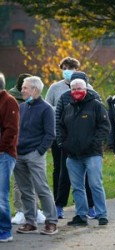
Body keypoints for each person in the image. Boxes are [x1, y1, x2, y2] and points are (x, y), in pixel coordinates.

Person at [57, 78, 110, 226]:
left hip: (92, 154)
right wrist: (63, 144)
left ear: (86, 89)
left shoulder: (96, 106)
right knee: (77, 187)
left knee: (95, 184)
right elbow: (61, 127)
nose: (76, 91)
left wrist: (94, 142)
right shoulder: (68, 108)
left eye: (79, 88)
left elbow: (105, 127)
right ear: (70, 91)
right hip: (72, 156)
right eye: (73, 89)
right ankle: (81, 215)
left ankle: (102, 215)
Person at [14, 76, 58, 235]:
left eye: (25, 88)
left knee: (42, 188)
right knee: (25, 190)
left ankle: (51, 222)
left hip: (35, 154)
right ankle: (30, 222)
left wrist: (39, 151)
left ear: (35, 90)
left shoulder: (46, 109)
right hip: (19, 154)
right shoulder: (22, 108)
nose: (22, 90)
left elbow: (50, 134)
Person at [45, 57, 80, 219]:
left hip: (79, 135)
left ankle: (82, 202)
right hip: (58, 133)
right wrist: (61, 109)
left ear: (76, 69)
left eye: (71, 68)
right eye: (65, 68)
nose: (68, 71)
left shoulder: (84, 87)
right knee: (59, 169)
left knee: (80, 169)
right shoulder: (54, 88)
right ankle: (58, 203)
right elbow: (47, 108)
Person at [9, 73, 45, 225]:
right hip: (17, 144)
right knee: (20, 181)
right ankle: (20, 210)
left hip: (34, 144)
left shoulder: (35, 101)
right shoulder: (11, 100)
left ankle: (34, 210)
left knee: (37, 179)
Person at [0, 73, 19, 242]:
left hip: (4, 155)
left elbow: (11, 130)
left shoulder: (9, 101)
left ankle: (5, 230)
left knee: (1, 194)